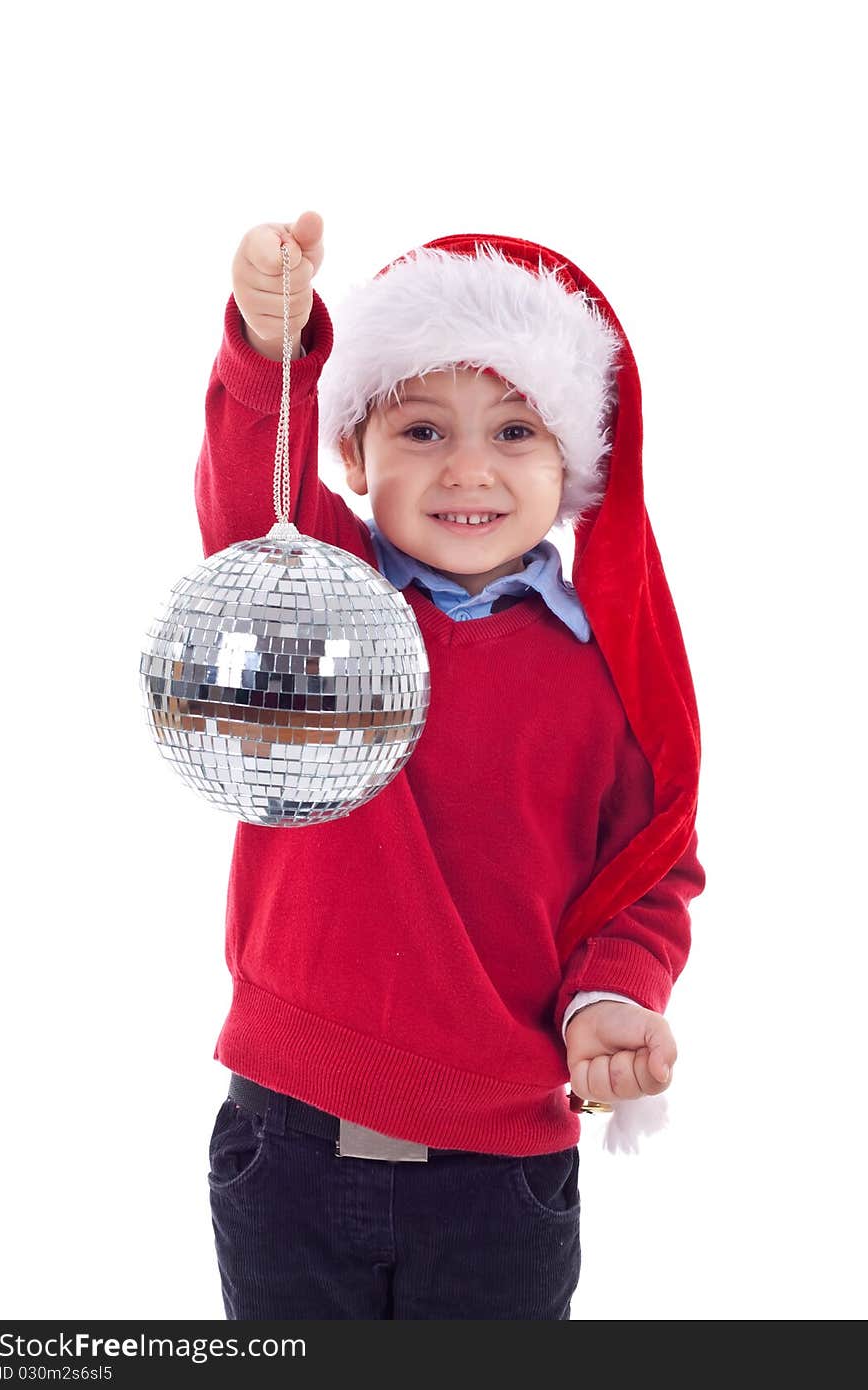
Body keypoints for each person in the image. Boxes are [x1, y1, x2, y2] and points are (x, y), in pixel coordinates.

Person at [194, 210, 707, 1320]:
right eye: (422, 430)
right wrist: (270, 345)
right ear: (355, 454)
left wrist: (611, 996)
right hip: (286, 1137)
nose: (468, 468)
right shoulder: (319, 596)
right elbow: (251, 495)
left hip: (501, 1177)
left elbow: (649, 870)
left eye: (516, 431)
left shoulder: (605, 675)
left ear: (573, 462)